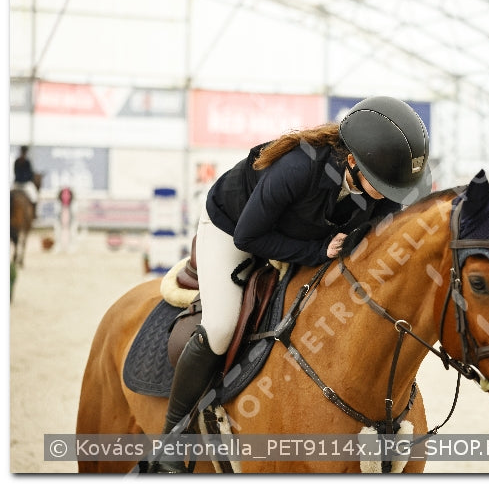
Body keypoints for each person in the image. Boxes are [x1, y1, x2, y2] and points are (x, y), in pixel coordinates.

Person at [149, 96, 431, 473]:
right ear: (352, 161)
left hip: (305, 235)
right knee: (219, 328)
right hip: (233, 229)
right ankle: (171, 440)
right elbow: (248, 238)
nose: (391, 198)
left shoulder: (383, 191)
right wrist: (317, 250)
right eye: (384, 186)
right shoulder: (298, 168)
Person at [13, 145, 38, 217]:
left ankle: (34, 214)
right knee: (34, 197)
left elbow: (28, 173)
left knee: (34, 197)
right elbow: (29, 174)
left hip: (21, 183)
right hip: (22, 184)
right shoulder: (20, 161)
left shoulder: (24, 161)